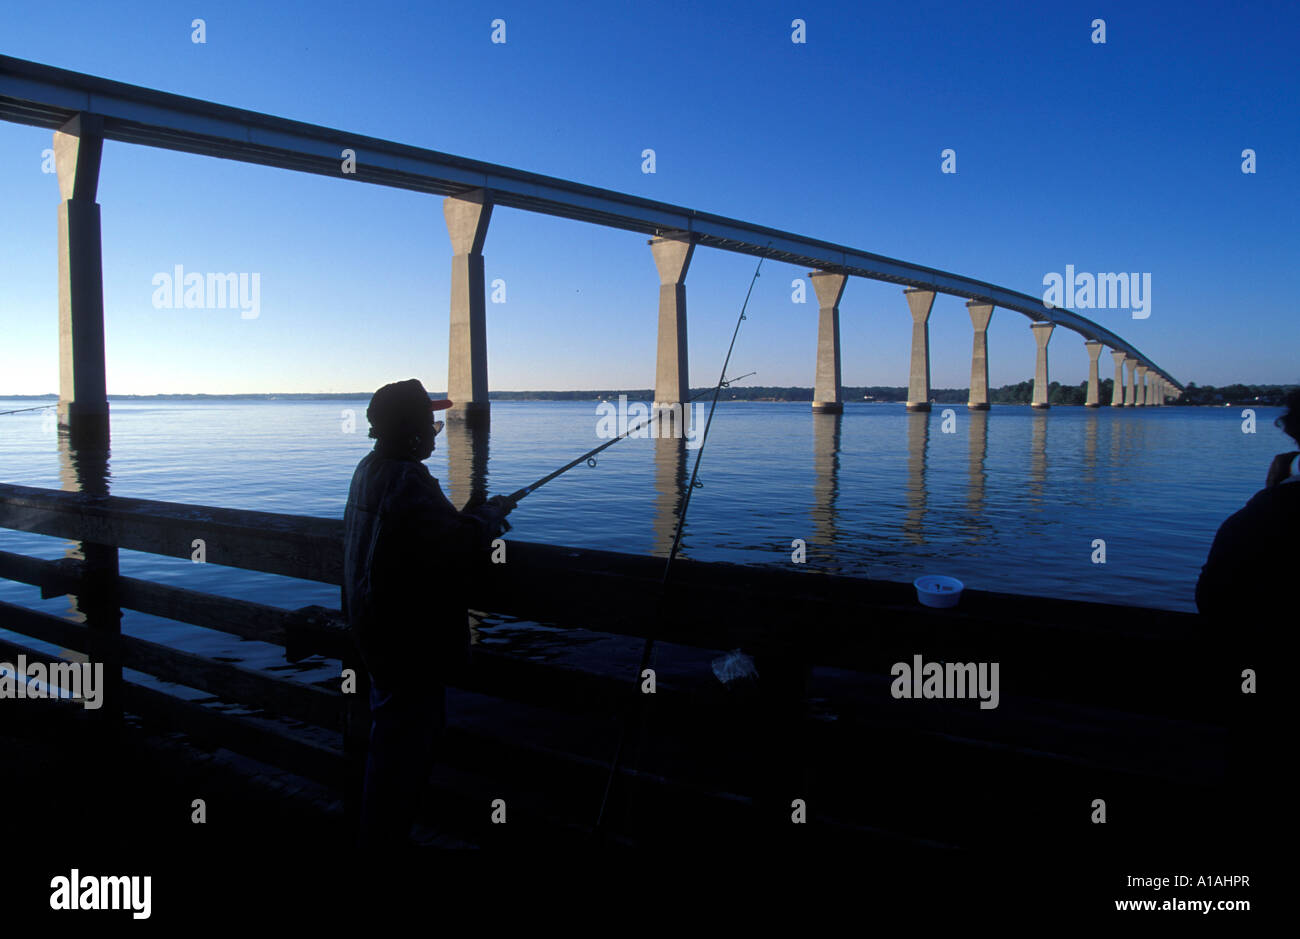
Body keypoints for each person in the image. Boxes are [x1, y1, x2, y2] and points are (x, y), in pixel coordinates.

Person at [342, 379, 515, 850]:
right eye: (431, 424)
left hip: (373, 632)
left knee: (389, 738)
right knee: (404, 748)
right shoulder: (407, 479)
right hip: (406, 644)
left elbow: (419, 534)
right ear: (413, 432)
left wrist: (470, 518)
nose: (437, 433)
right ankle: (383, 843)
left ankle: (378, 835)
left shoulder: (369, 468)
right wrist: (490, 517)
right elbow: (455, 542)